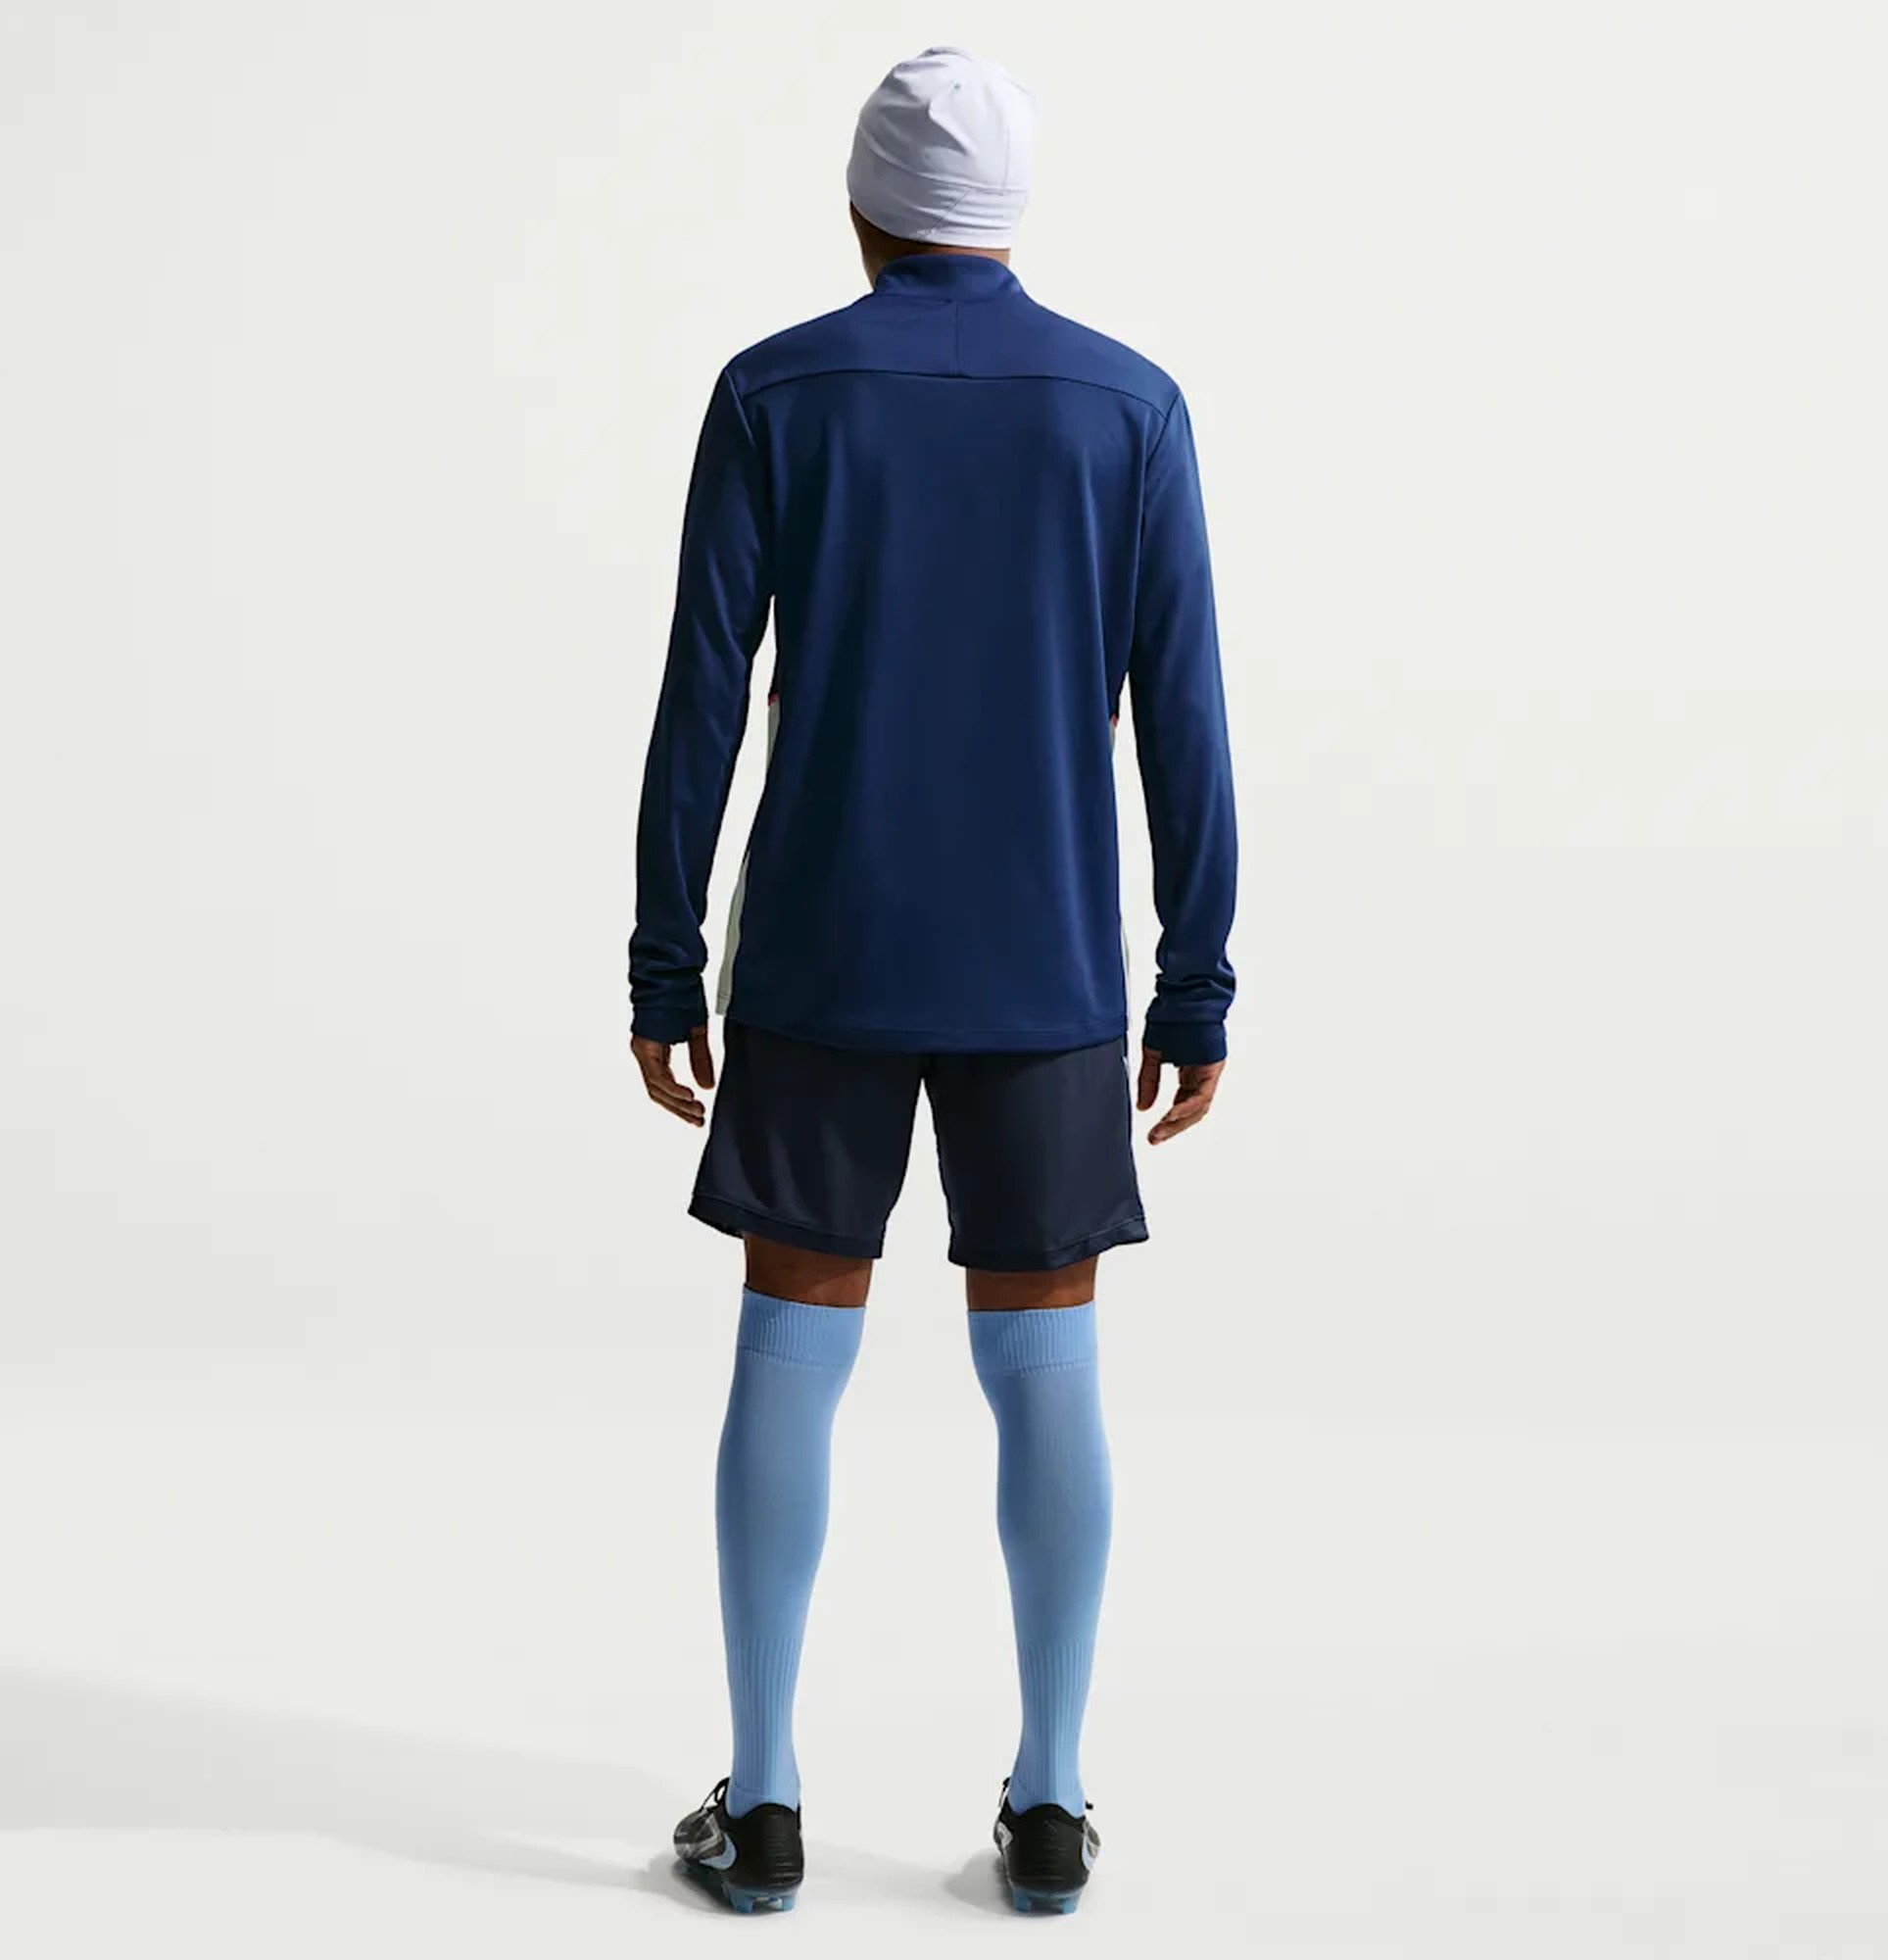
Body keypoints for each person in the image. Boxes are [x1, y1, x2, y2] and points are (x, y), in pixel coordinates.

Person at [629, 45, 1237, 1917]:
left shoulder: (776, 392)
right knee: (1044, 1361)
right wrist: (1193, 982)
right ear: (1012, 213)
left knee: (790, 1337)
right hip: (1043, 967)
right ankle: (1049, 1805)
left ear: (861, 210)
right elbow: (1186, 722)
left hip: (822, 953)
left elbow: (703, 698)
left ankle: (767, 1804)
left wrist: (664, 955)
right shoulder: (1129, 408)